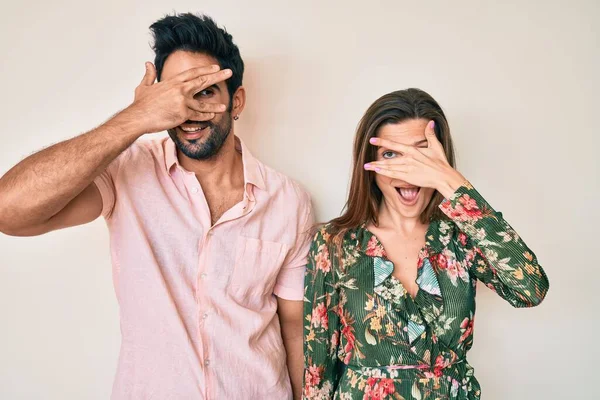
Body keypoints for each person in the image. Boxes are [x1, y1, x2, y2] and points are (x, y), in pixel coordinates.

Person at [0, 13, 312, 400]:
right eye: (174, 97)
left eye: (205, 92)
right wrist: (136, 118)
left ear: (237, 101)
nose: (189, 113)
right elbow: (8, 211)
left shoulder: (288, 201)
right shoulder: (126, 172)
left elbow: (293, 329)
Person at [302, 88, 549, 399]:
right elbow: (317, 370)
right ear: (370, 164)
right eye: (391, 154)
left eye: (423, 155)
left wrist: (452, 184)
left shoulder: (461, 235)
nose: (409, 171)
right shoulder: (334, 243)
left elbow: (530, 289)